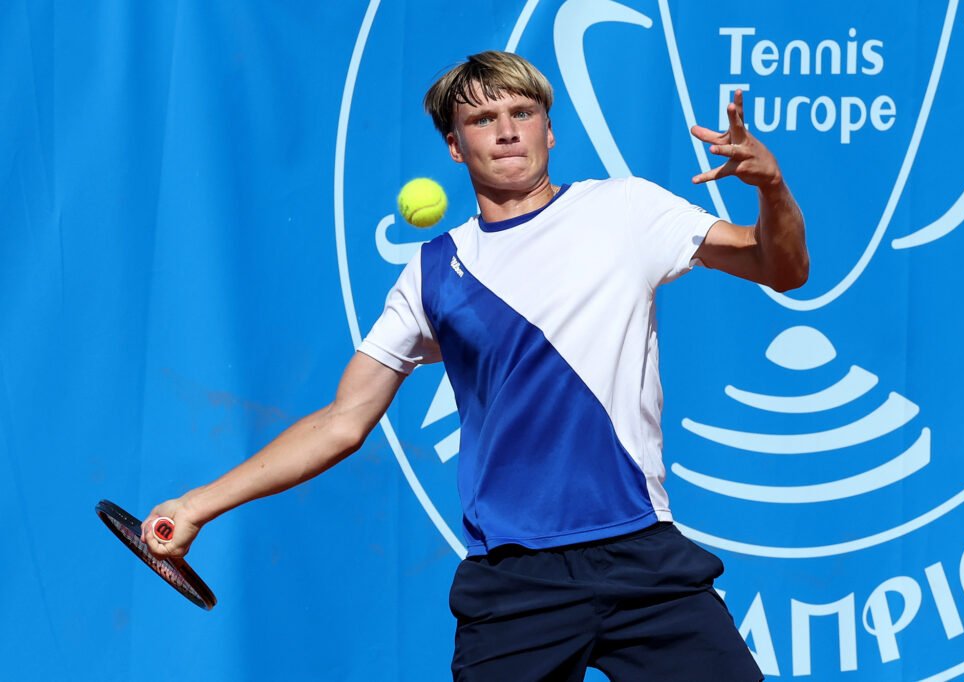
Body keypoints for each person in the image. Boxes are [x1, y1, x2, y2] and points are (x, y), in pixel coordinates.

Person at [145, 51, 807, 681]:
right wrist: (195, 505)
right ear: (456, 147)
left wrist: (772, 188)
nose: (507, 130)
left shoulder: (626, 209)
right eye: (482, 120)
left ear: (551, 129)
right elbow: (343, 423)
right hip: (517, 580)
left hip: (643, 557)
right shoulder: (432, 274)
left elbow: (781, 269)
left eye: (522, 112)